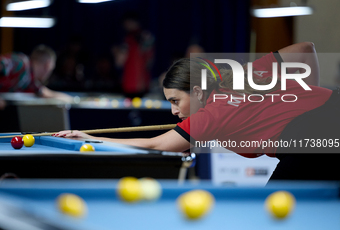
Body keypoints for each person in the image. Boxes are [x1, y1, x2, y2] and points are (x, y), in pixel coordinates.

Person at [54, 42, 340, 181]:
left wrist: (87, 138)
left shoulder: (210, 114)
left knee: (279, 213)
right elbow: (304, 49)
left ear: (199, 93)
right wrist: (303, 97)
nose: (173, 110)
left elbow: (156, 145)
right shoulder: (241, 76)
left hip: (312, 140)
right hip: (330, 110)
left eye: (176, 100)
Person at [0, 45, 73, 102]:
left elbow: (48, 94)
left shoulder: (31, 83)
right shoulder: (20, 63)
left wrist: (74, 100)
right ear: (48, 65)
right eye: (52, 68)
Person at [113, 12, 155, 98]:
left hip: (142, 85)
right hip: (129, 85)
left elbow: (150, 62)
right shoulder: (126, 40)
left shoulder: (146, 37)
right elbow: (119, 63)